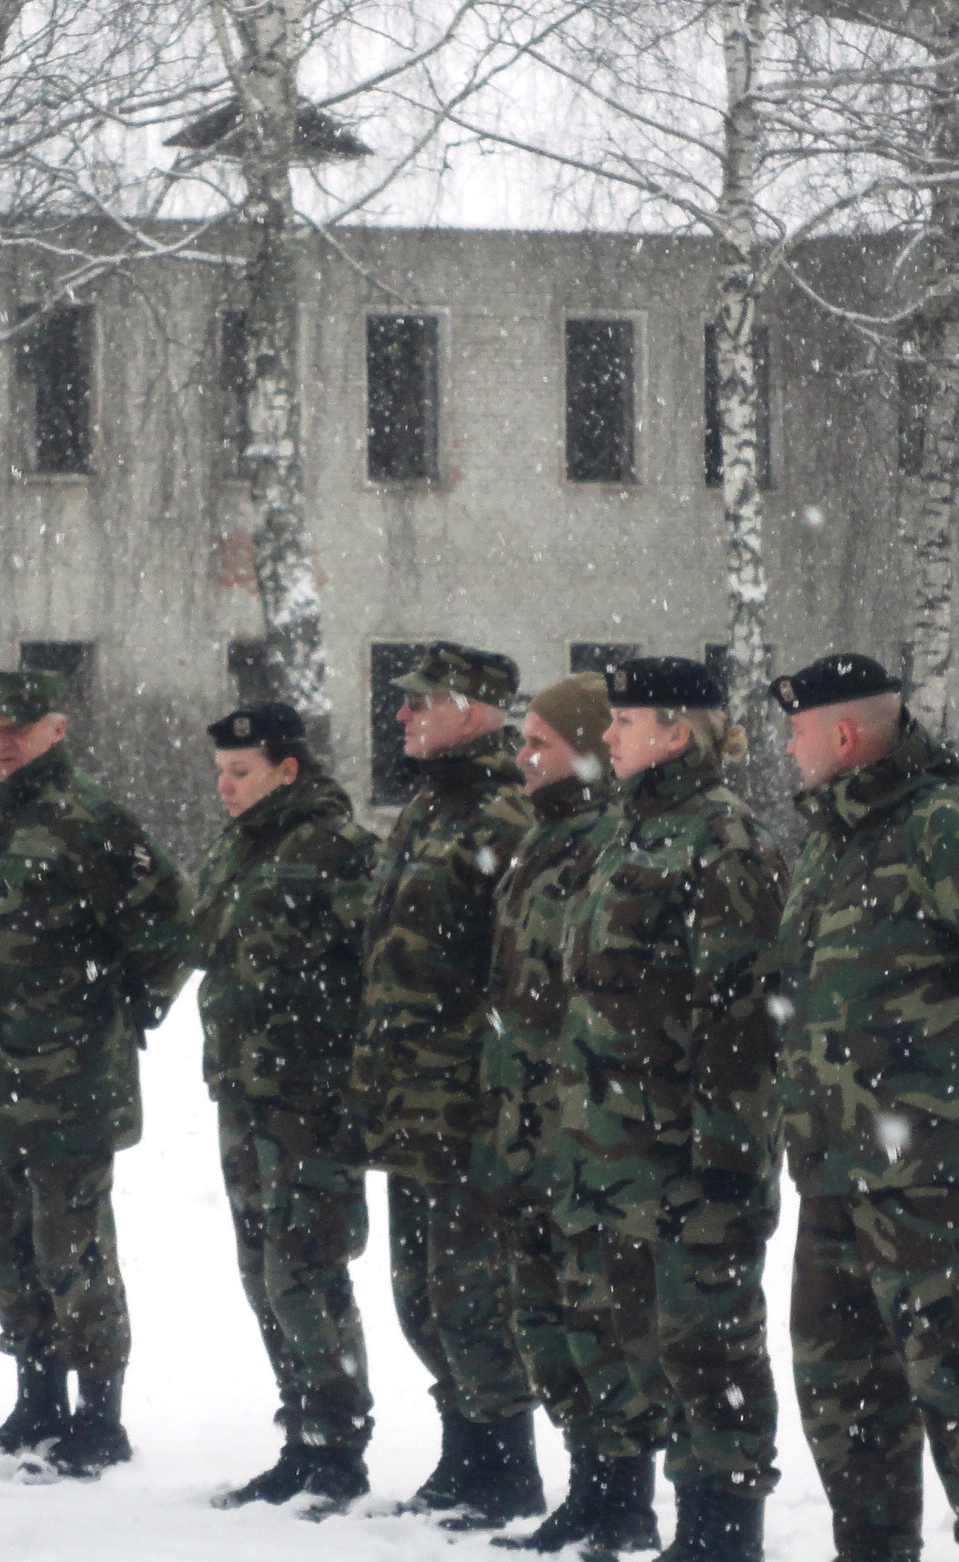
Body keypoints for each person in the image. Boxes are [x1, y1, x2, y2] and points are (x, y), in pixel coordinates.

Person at [775, 652, 959, 1562]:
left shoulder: (946, 823)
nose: (787, 749)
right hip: (833, 1166)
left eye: (797, 731)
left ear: (844, 735)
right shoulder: (830, 835)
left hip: (932, 1172)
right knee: (841, 1385)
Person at [553, 658, 787, 1562]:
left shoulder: (723, 842)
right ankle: (665, 1521)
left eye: (626, 721)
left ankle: (722, 1537)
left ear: (677, 731)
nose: (607, 735)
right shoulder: (624, 829)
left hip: (692, 1162)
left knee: (710, 1351)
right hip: (615, 1152)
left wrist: (725, 1163)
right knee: (642, 1347)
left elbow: (745, 1017)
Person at [0, 667, 196, 1476]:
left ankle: (98, 1416)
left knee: (73, 1253)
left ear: (56, 729)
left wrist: (115, 1004)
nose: (0, 741)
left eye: (17, 727)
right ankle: (38, 1400)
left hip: (70, 1080)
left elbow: (172, 924)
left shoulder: (90, 819)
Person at [354, 641, 544, 1525]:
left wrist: (496, 1088)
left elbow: (521, 971)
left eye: (419, 700)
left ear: (471, 711)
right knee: (421, 1293)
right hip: (409, 1101)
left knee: (474, 1294)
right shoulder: (430, 807)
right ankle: (465, 1455)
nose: (401, 714)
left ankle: (507, 1467)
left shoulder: (506, 814)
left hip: (470, 1104)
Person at [189, 701, 384, 1511]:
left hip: (313, 1096)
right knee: (261, 1270)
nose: (226, 788)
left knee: (306, 1267)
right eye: (220, 774)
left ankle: (338, 1445)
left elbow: (381, 968)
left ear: (288, 770)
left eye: (242, 772)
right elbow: (205, 944)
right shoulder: (237, 848)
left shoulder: (339, 850)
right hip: (244, 1089)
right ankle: (301, 1435)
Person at [479, 673, 643, 1555]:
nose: (522, 757)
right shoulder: (540, 840)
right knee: (541, 1314)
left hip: (584, 1129)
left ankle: (623, 1496)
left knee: (595, 1315)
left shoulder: (608, 844)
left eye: (539, 742)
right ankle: (588, 1484)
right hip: (528, 1121)